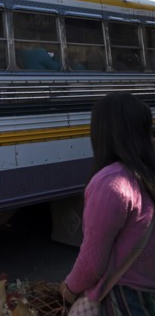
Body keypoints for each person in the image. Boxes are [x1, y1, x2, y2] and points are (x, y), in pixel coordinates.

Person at [60, 92, 155, 314]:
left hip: (127, 298)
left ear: (103, 132)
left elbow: (92, 263)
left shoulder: (111, 183)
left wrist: (69, 288)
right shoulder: (146, 174)